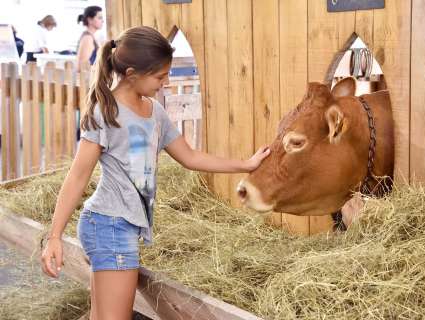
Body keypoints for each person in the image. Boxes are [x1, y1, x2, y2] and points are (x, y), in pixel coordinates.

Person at [40, 26, 270, 319]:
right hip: (109, 225)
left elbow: (190, 156)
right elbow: (77, 176)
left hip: (119, 225)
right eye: (160, 76)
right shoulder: (106, 112)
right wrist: (55, 236)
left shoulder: (154, 111)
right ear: (133, 73)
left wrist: (245, 165)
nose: (166, 81)